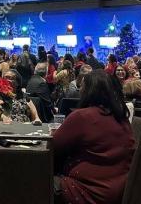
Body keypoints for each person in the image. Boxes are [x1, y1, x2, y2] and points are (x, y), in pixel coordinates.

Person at [53, 70, 134, 204]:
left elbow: (52, 147)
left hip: (86, 191)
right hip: (118, 191)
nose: (80, 91)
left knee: (32, 180)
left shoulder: (82, 117)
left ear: (89, 91)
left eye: (83, 87)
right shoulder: (122, 118)